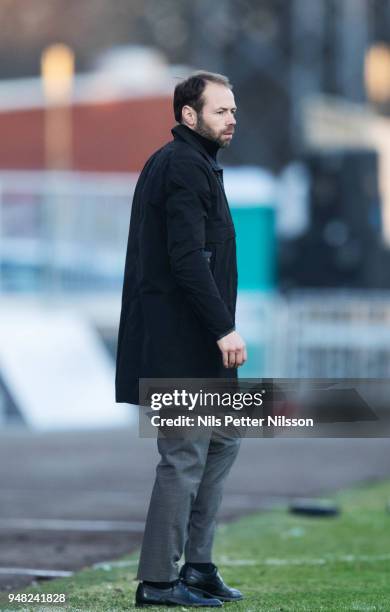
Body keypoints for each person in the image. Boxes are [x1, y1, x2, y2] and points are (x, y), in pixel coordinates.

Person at [115, 71, 247, 607]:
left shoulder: (197, 165)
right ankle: (158, 582)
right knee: (184, 457)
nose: (232, 119)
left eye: (234, 110)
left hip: (198, 343)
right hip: (181, 343)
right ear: (188, 116)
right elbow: (187, 260)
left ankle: (197, 568)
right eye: (220, 111)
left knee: (222, 441)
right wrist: (223, 328)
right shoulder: (182, 167)